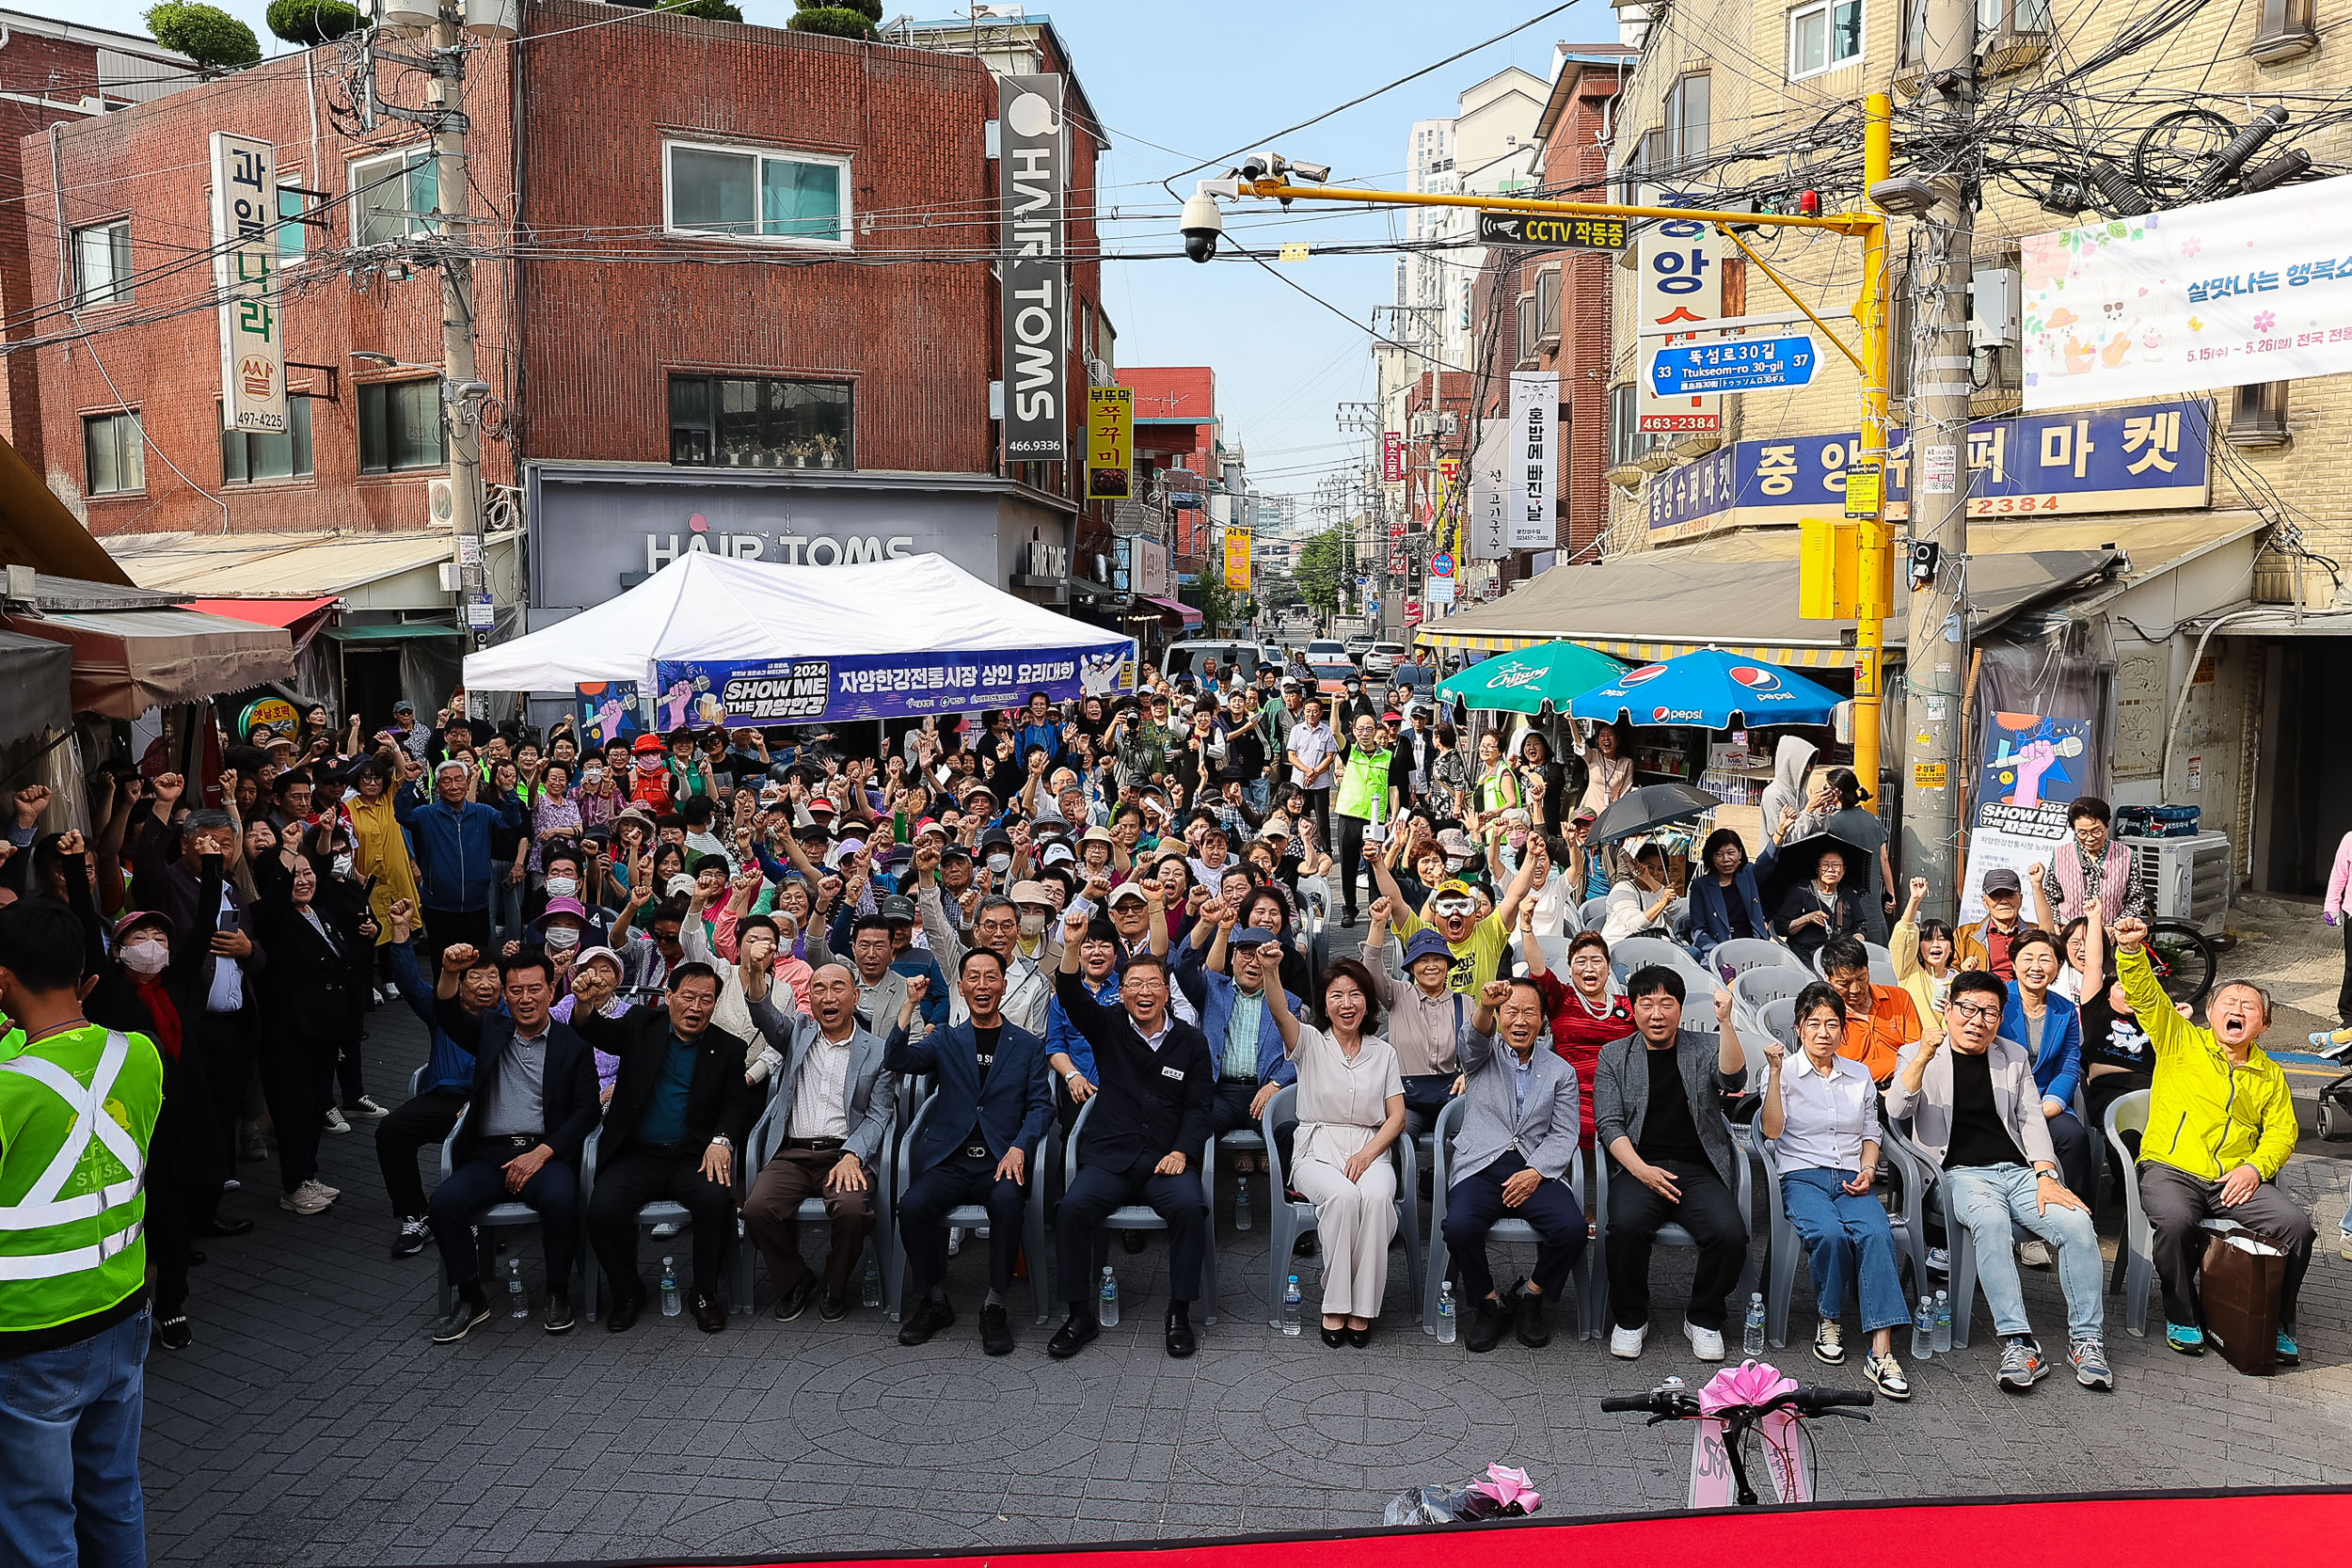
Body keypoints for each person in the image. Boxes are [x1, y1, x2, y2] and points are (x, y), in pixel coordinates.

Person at [0, 896, 164, 1568]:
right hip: (123, 1310)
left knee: (36, 1522)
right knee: (113, 1494)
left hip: (30, 1335)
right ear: (88, 976)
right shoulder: (140, 1055)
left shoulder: (9, 1091)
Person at [1882, 970, 2111, 1392]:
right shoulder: (1917, 1053)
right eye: (1967, 1009)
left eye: (1989, 1012)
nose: (1977, 1020)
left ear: (2000, 1017)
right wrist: (1921, 1058)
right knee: (1991, 1225)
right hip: (1958, 1175)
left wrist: (2046, 1173)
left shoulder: (2013, 1055)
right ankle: (2018, 1340)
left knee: (2078, 1225)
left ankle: (2087, 1340)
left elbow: (2030, 1118)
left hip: (2020, 1172)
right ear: (1948, 1010)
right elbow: (1896, 1109)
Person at [2111, 915, 2311, 1362]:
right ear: (2209, 1011)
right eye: (2229, 1001)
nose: (2237, 1009)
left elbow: (2282, 1131)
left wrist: (2256, 1168)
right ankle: (2182, 1313)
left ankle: (2273, 1320)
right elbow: (2145, 995)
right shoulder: (2179, 1039)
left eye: (2250, 1006)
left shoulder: (2270, 1074)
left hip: (2233, 1182)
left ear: (2264, 1025)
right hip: (2170, 1168)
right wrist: (2129, 951)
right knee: (2177, 1221)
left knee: (2297, 1228)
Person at [1048, 907, 1215, 1360]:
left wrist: (1183, 1150)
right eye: (1134, 985)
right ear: (1121, 994)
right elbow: (1069, 992)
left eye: (1152, 985)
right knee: (1072, 1208)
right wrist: (1071, 946)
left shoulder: (1191, 1041)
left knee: (1189, 1208)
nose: (1143, 992)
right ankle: (1078, 1314)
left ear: (1166, 992)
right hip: (1111, 1155)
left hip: (1166, 1158)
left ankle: (1179, 1312)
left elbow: (1201, 1108)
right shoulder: (1106, 1028)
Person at [576, 963, 762, 1332]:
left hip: (692, 1155)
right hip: (637, 1154)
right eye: (688, 997)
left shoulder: (728, 1048)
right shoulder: (639, 1027)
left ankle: (704, 1293)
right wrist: (584, 1005)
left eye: (706, 1000)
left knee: (716, 1202)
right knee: (602, 1210)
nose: (696, 1007)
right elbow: (592, 1029)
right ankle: (627, 1292)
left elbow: (737, 1106)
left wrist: (721, 1141)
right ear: (669, 997)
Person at [425, 947, 600, 1341]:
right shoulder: (490, 1031)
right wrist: (450, 972)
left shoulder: (572, 1045)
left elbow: (587, 1111)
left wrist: (542, 1153)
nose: (526, 999)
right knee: (444, 1204)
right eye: (516, 990)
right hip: (489, 1155)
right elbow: (449, 1014)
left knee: (561, 1201)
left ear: (551, 991)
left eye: (534, 989)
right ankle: (471, 1297)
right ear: (504, 995)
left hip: (545, 1153)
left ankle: (557, 1292)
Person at [889, 958, 1051, 1355]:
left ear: (1002, 986)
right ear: (961, 988)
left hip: (999, 1160)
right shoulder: (945, 1038)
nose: (982, 985)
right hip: (951, 1159)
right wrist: (909, 1005)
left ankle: (994, 1305)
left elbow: (1042, 1107)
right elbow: (897, 1060)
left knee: (1009, 1202)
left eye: (990, 977)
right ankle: (933, 1300)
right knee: (911, 1206)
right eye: (973, 978)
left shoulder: (1027, 1045)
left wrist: (1019, 1146)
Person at [1757, 982, 1911, 1400]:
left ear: (1844, 1029)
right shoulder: (1783, 1070)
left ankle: (1882, 1351)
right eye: (1814, 1024)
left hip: (1850, 1176)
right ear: (1799, 1028)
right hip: (1802, 1174)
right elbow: (1771, 1130)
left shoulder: (1858, 1074)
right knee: (1828, 1233)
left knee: (1877, 1234)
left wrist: (1867, 1168)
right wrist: (1773, 1075)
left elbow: (1870, 1131)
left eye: (1832, 1023)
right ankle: (1830, 1318)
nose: (1823, 1032)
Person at [1595, 969, 1749, 1361]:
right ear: (1632, 1008)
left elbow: (1733, 1080)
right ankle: (1631, 1317)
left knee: (1730, 1234)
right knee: (1626, 1228)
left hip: (1697, 1169)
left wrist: (1726, 1021)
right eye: (1646, 1004)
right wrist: (1641, 1171)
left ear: (1680, 1008)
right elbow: (1608, 1123)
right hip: (1638, 1166)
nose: (1657, 1014)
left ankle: (1704, 1316)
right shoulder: (1614, 1055)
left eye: (1667, 1004)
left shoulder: (1704, 1047)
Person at [738, 957, 898, 1323]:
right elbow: (764, 1014)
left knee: (853, 1210)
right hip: (792, 1153)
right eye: (819, 989)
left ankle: (835, 1285)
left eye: (837, 988)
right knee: (757, 1209)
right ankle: (796, 1280)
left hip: (844, 1154)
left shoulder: (878, 1050)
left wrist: (853, 1155)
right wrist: (757, 973)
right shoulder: (797, 1031)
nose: (828, 996)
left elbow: (878, 1115)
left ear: (855, 997)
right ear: (809, 998)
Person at [1263, 958, 1406, 1344]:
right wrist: (1272, 971)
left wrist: (1368, 1153)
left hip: (1371, 1147)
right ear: (1325, 1004)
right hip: (1316, 1149)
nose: (1347, 1004)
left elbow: (1396, 1117)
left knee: (1376, 1198)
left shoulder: (1384, 1052)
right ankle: (1335, 1303)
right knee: (1342, 1197)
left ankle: (1363, 1308)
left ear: (1368, 1002)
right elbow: (1279, 1011)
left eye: (1355, 994)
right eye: (1337, 995)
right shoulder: (1309, 1041)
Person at [1442, 975, 1585, 1354]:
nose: (1520, 1021)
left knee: (1571, 1228)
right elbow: (1472, 1040)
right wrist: (1486, 1007)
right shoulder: (1482, 1055)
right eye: (1511, 1012)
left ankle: (1531, 1295)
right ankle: (1488, 1302)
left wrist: (1537, 1171)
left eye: (1529, 1013)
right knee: (1458, 1227)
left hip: (1535, 1167)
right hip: (1481, 1165)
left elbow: (1564, 1132)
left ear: (1542, 1022)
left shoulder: (1560, 1071)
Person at [251, 852, 369, 1214]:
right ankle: (293, 1186)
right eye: (293, 874)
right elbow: (272, 903)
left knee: (317, 1102)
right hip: (290, 1031)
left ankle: (308, 1175)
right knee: (295, 1107)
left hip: (325, 1029)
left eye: (307, 873)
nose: (303, 880)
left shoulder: (320, 913)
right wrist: (285, 852)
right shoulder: (270, 917)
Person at [377, 904, 498, 1257]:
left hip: (488, 1102)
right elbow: (409, 983)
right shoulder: (440, 1009)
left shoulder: (509, 1015)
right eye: (475, 977)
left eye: (492, 977)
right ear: (459, 984)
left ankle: (477, 1216)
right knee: (391, 1131)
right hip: (442, 1098)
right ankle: (415, 1213)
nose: (485, 984)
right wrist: (400, 933)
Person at [1172, 900, 1298, 1159]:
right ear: (1233, 958)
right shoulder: (1212, 988)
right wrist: (1207, 924)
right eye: (1246, 954)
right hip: (1220, 1091)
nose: (1253, 963)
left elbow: (1300, 1053)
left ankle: (1289, 1195)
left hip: (1265, 1091)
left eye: (1261, 957)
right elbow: (1182, 965)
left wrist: (1276, 1083)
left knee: (1290, 1133)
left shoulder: (1288, 1002)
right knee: (1192, 1131)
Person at [396, 758, 526, 967]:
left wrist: (509, 791)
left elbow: (512, 822)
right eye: (446, 781)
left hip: (477, 906)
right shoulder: (426, 814)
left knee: (475, 966)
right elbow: (402, 816)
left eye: (459, 780)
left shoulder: (482, 812)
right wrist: (409, 782)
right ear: (437, 787)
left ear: (468, 783)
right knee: (443, 966)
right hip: (439, 907)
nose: (454, 786)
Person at [2002, 927, 2090, 1206]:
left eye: (2046, 959)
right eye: (2028, 958)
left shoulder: (2064, 1010)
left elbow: (2068, 1065)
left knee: (2073, 1137)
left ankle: (2075, 1214)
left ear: (2059, 966)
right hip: (1998, 1102)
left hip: (2045, 1103)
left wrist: (2047, 1107)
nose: (2036, 967)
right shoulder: (1998, 1001)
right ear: (2014, 963)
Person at [1523, 924, 1627, 1151]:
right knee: (1577, 1130)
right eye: (1581, 961)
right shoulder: (1563, 1000)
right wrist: (1527, 928)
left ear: (1609, 968)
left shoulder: (1627, 1007)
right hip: (1574, 1094)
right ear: (1570, 969)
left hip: (1621, 1093)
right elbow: (1539, 971)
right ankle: (1577, 1184)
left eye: (1597, 961)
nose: (1589, 967)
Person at [1359, 912, 1464, 1136]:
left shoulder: (1464, 1003)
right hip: (1408, 1100)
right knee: (1399, 1136)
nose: (1431, 966)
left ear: (1447, 964)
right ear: (1412, 967)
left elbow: (1480, 1049)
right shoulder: (1398, 994)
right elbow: (1371, 972)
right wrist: (1378, 924)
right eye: (1423, 960)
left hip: (1453, 1098)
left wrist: (1469, 1074)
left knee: (1472, 1139)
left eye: (1437, 959)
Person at [1791, 768, 1893, 942]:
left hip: (1844, 900)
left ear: (1836, 792)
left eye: (1826, 787)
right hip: (1873, 899)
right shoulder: (1874, 820)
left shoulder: (1832, 823)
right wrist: (1890, 893)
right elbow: (1884, 858)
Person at [1818, 934, 1918, 1086]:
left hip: (1904, 1083)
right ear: (1827, 978)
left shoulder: (1899, 998)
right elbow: (1828, 1069)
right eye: (1844, 983)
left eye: (1861, 978)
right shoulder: (1824, 1016)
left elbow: (1915, 1052)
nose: (1855, 989)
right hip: (1853, 1088)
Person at [2036, 796, 2148, 927]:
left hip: (2111, 934)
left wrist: (2115, 928)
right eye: (2082, 833)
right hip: (2070, 936)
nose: (2090, 838)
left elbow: (2135, 899)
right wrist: (2056, 923)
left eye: (2097, 831)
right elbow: (2051, 896)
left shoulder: (2126, 855)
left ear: (2107, 826)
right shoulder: (2061, 855)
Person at [1329, 714, 1396, 927]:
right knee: (1348, 867)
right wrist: (1336, 706)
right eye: (1361, 729)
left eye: (1369, 729)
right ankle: (1349, 909)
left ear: (1375, 731)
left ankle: (1377, 908)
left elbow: (1393, 789)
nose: (1365, 733)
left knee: (1375, 866)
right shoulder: (1350, 751)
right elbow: (1334, 731)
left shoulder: (1387, 756)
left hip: (1374, 818)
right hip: (1349, 815)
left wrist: (1393, 816)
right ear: (1355, 730)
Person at [1686, 828, 1772, 964]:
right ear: (1711, 857)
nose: (1726, 859)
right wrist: (1718, 952)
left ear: (1740, 853)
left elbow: (1767, 861)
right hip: (1719, 952)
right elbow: (1698, 930)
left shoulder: (1748, 874)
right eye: (1719, 854)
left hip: (1753, 947)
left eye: (1731, 853)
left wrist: (1780, 832)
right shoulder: (1700, 886)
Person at [1773, 845, 1866, 969]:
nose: (1831, 869)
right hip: (1805, 956)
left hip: (1839, 956)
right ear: (1817, 869)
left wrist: (1857, 939)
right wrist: (1807, 919)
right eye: (1825, 865)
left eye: (1836, 865)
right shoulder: (1801, 891)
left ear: (1843, 871)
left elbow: (1860, 925)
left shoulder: (1848, 893)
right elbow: (1781, 928)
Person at [1890, 877, 1960, 1021]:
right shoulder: (1909, 971)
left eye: (1942, 939)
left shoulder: (1960, 980)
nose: (1935, 944)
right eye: (1928, 939)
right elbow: (1904, 933)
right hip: (1915, 1041)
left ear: (1951, 948)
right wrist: (1915, 900)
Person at [1956, 866, 2030, 980]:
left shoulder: (2035, 934)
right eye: (1996, 895)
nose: (2003, 901)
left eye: (2009, 894)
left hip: (2025, 995)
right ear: (1985, 901)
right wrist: (1964, 972)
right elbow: (1946, 973)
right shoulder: (1963, 935)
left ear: (2020, 898)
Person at [1285, 697, 1338, 852]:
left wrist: (1314, 773)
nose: (1311, 714)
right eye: (1308, 711)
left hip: (1320, 783)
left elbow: (1329, 757)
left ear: (1321, 712)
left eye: (1315, 711)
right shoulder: (1297, 730)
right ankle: (1299, 848)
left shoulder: (1327, 731)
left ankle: (1326, 850)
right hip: (1299, 782)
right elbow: (1292, 756)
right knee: (1299, 817)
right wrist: (1307, 770)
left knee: (1322, 820)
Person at [1580, 721, 1634, 818]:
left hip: (1611, 814)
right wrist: (1571, 723)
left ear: (1617, 740)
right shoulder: (1593, 755)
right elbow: (1580, 745)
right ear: (1598, 740)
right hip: (1589, 813)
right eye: (1602, 735)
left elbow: (1625, 793)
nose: (1606, 738)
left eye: (1610, 734)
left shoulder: (1627, 763)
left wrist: (1617, 815)